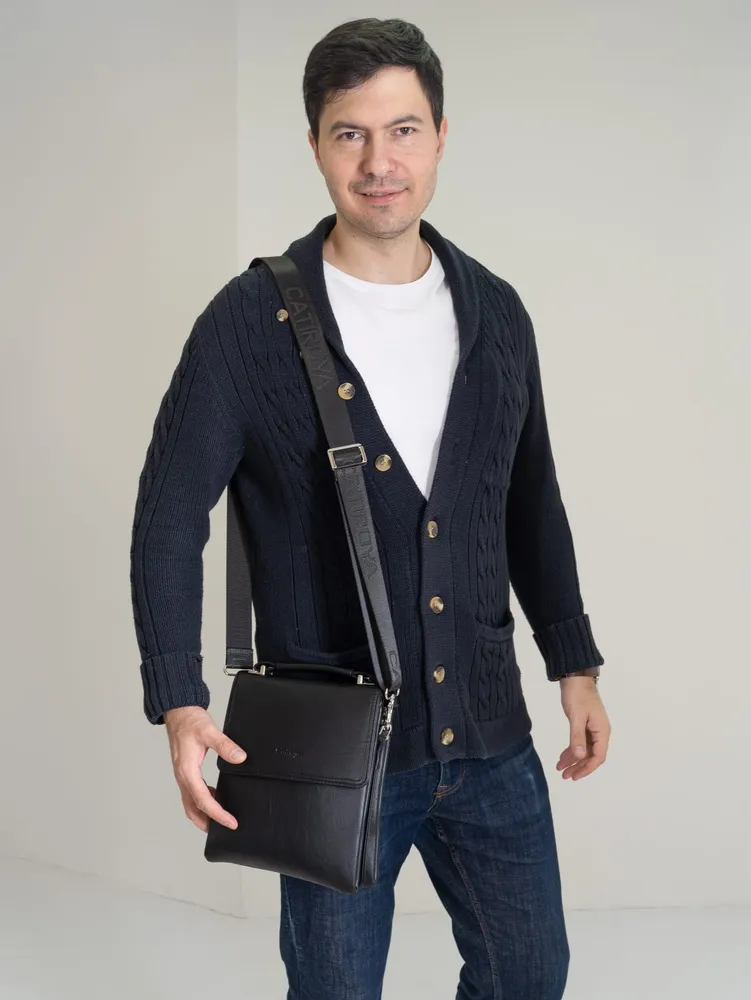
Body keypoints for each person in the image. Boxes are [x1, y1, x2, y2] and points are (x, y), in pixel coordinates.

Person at [129, 17, 611, 1000]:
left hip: (488, 729)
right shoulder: (247, 323)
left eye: (403, 130)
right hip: (327, 745)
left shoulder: (496, 311)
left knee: (529, 976)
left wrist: (574, 662)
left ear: (440, 137)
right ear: (315, 144)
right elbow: (168, 518)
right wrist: (179, 696)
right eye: (350, 133)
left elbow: (530, 500)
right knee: (335, 991)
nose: (378, 162)